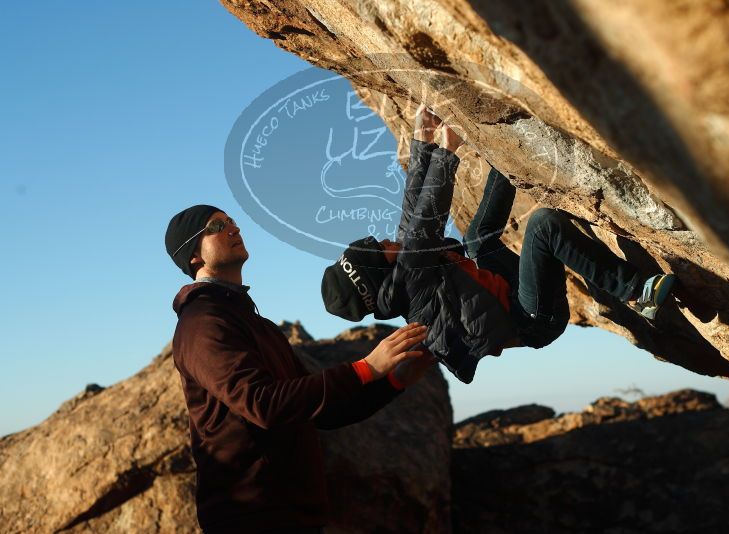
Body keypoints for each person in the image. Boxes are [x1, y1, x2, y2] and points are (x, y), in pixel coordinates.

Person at [320, 105, 675, 384]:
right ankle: (634, 293)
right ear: (377, 273)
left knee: (477, 240)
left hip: (505, 289)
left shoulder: (401, 276)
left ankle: (507, 157)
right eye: (377, 247)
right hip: (533, 318)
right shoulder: (411, 282)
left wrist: (422, 141)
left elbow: (412, 211)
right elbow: (423, 226)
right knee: (543, 226)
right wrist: (447, 151)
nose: (382, 239)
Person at [164, 205, 433, 534]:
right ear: (193, 255)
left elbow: (321, 411)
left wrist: (395, 379)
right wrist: (366, 367)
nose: (233, 228)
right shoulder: (202, 323)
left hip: (294, 516)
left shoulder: (255, 324)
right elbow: (262, 404)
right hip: (251, 519)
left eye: (232, 221)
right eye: (217, 226)